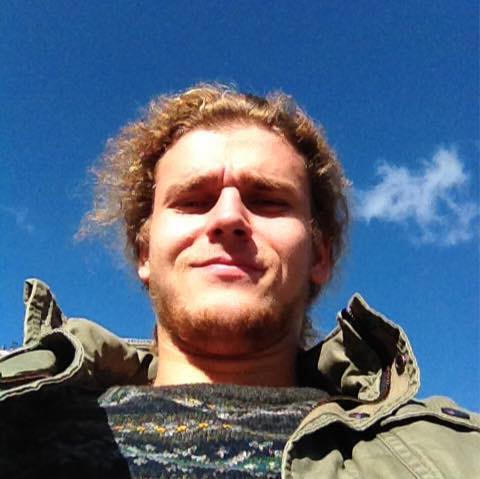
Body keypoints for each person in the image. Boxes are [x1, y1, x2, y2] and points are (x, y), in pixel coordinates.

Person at [0, 84, 478, 478]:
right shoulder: (18, 413)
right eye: (193, 200)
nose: (228, 217)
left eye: (268, 200)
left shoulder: (458, 456)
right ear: (145, 252)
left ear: (320, 256)